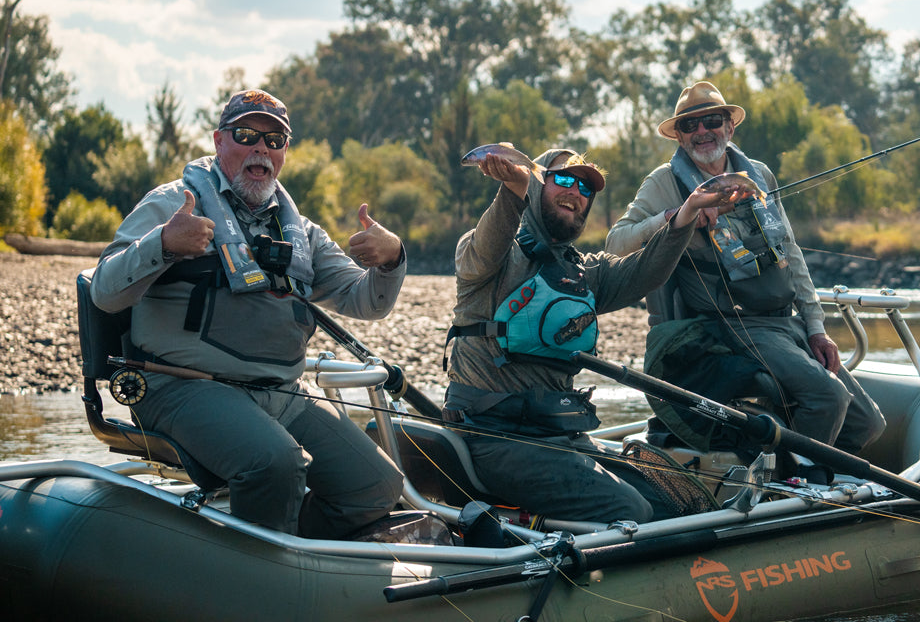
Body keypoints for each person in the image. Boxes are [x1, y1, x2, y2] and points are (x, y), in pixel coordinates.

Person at [91, 89, 408, 539]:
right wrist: (162, 243)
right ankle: (265, 565)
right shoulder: (171, 204)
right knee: (276, 463)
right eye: (246, 134)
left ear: (283, 154)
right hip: (181, 385)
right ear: (220, 141)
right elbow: (104, 291)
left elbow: (366, 302)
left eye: (274, 140)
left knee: (376, 485)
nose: (261, 147)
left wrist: (392, 259)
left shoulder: (304, 234)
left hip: (282, 392)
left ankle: (290, 556)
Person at [444, 147, 745, 524]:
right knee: (629, 509)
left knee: (674, 503)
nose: (576, 191)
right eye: (564, 179)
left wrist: (687, 214)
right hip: (491, 437)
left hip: (561, 437)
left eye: (586, 188)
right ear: (536, 186)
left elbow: (646, 272)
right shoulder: (487, 256)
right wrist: (513, 189)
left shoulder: (585, 273)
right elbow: (487, 249)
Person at [606, 81, 886, 455]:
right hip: (732, 323)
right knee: (829, 397)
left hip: (785, 321)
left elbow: (790, 253)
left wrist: (816, 328)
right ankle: (799, 480)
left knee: (869, 422)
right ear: (679, 137)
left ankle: (798, 469)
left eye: (711, 121)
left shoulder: (759, 174)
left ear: (729, 127)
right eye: (690, 126)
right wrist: (677, 216)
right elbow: (615, 243)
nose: (702, 132)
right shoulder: (664, 182)